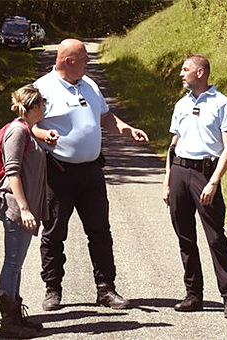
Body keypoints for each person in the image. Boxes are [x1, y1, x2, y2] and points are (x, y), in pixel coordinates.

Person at [32, 38, 149, 311]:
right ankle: (53, 288)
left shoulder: (90, 84)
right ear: (68, 61)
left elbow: (105, 117)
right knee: (54, 233)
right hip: (59, 173)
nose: (88, 61)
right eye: (84, 58)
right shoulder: (42, 88)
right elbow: (27, 125)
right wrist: (43, 133)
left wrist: (127, 129)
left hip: (92, 172)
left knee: (100, 232)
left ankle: (106, 289)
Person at [162, 54, 227, 319]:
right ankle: (193, 294)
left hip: (206, 174)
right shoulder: (181, 104)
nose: (181, 73)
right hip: (180, 172)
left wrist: (214, 182)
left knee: (216, 237)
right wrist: (167, 181)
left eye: (186, 69)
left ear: (200, 72)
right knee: (185, 237)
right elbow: (172, 145)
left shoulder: (222, 104)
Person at [0, 85, 52, 338]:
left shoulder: (26, 129)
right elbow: (12, 171)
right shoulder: (18, 130)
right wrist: (25, 209)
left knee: (16, 263)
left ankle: (15, 316)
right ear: (34, 106)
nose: (45, 108)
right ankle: (9, 323)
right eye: (43, 104)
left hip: (23, 208)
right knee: (13, 262)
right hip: (16, 208)